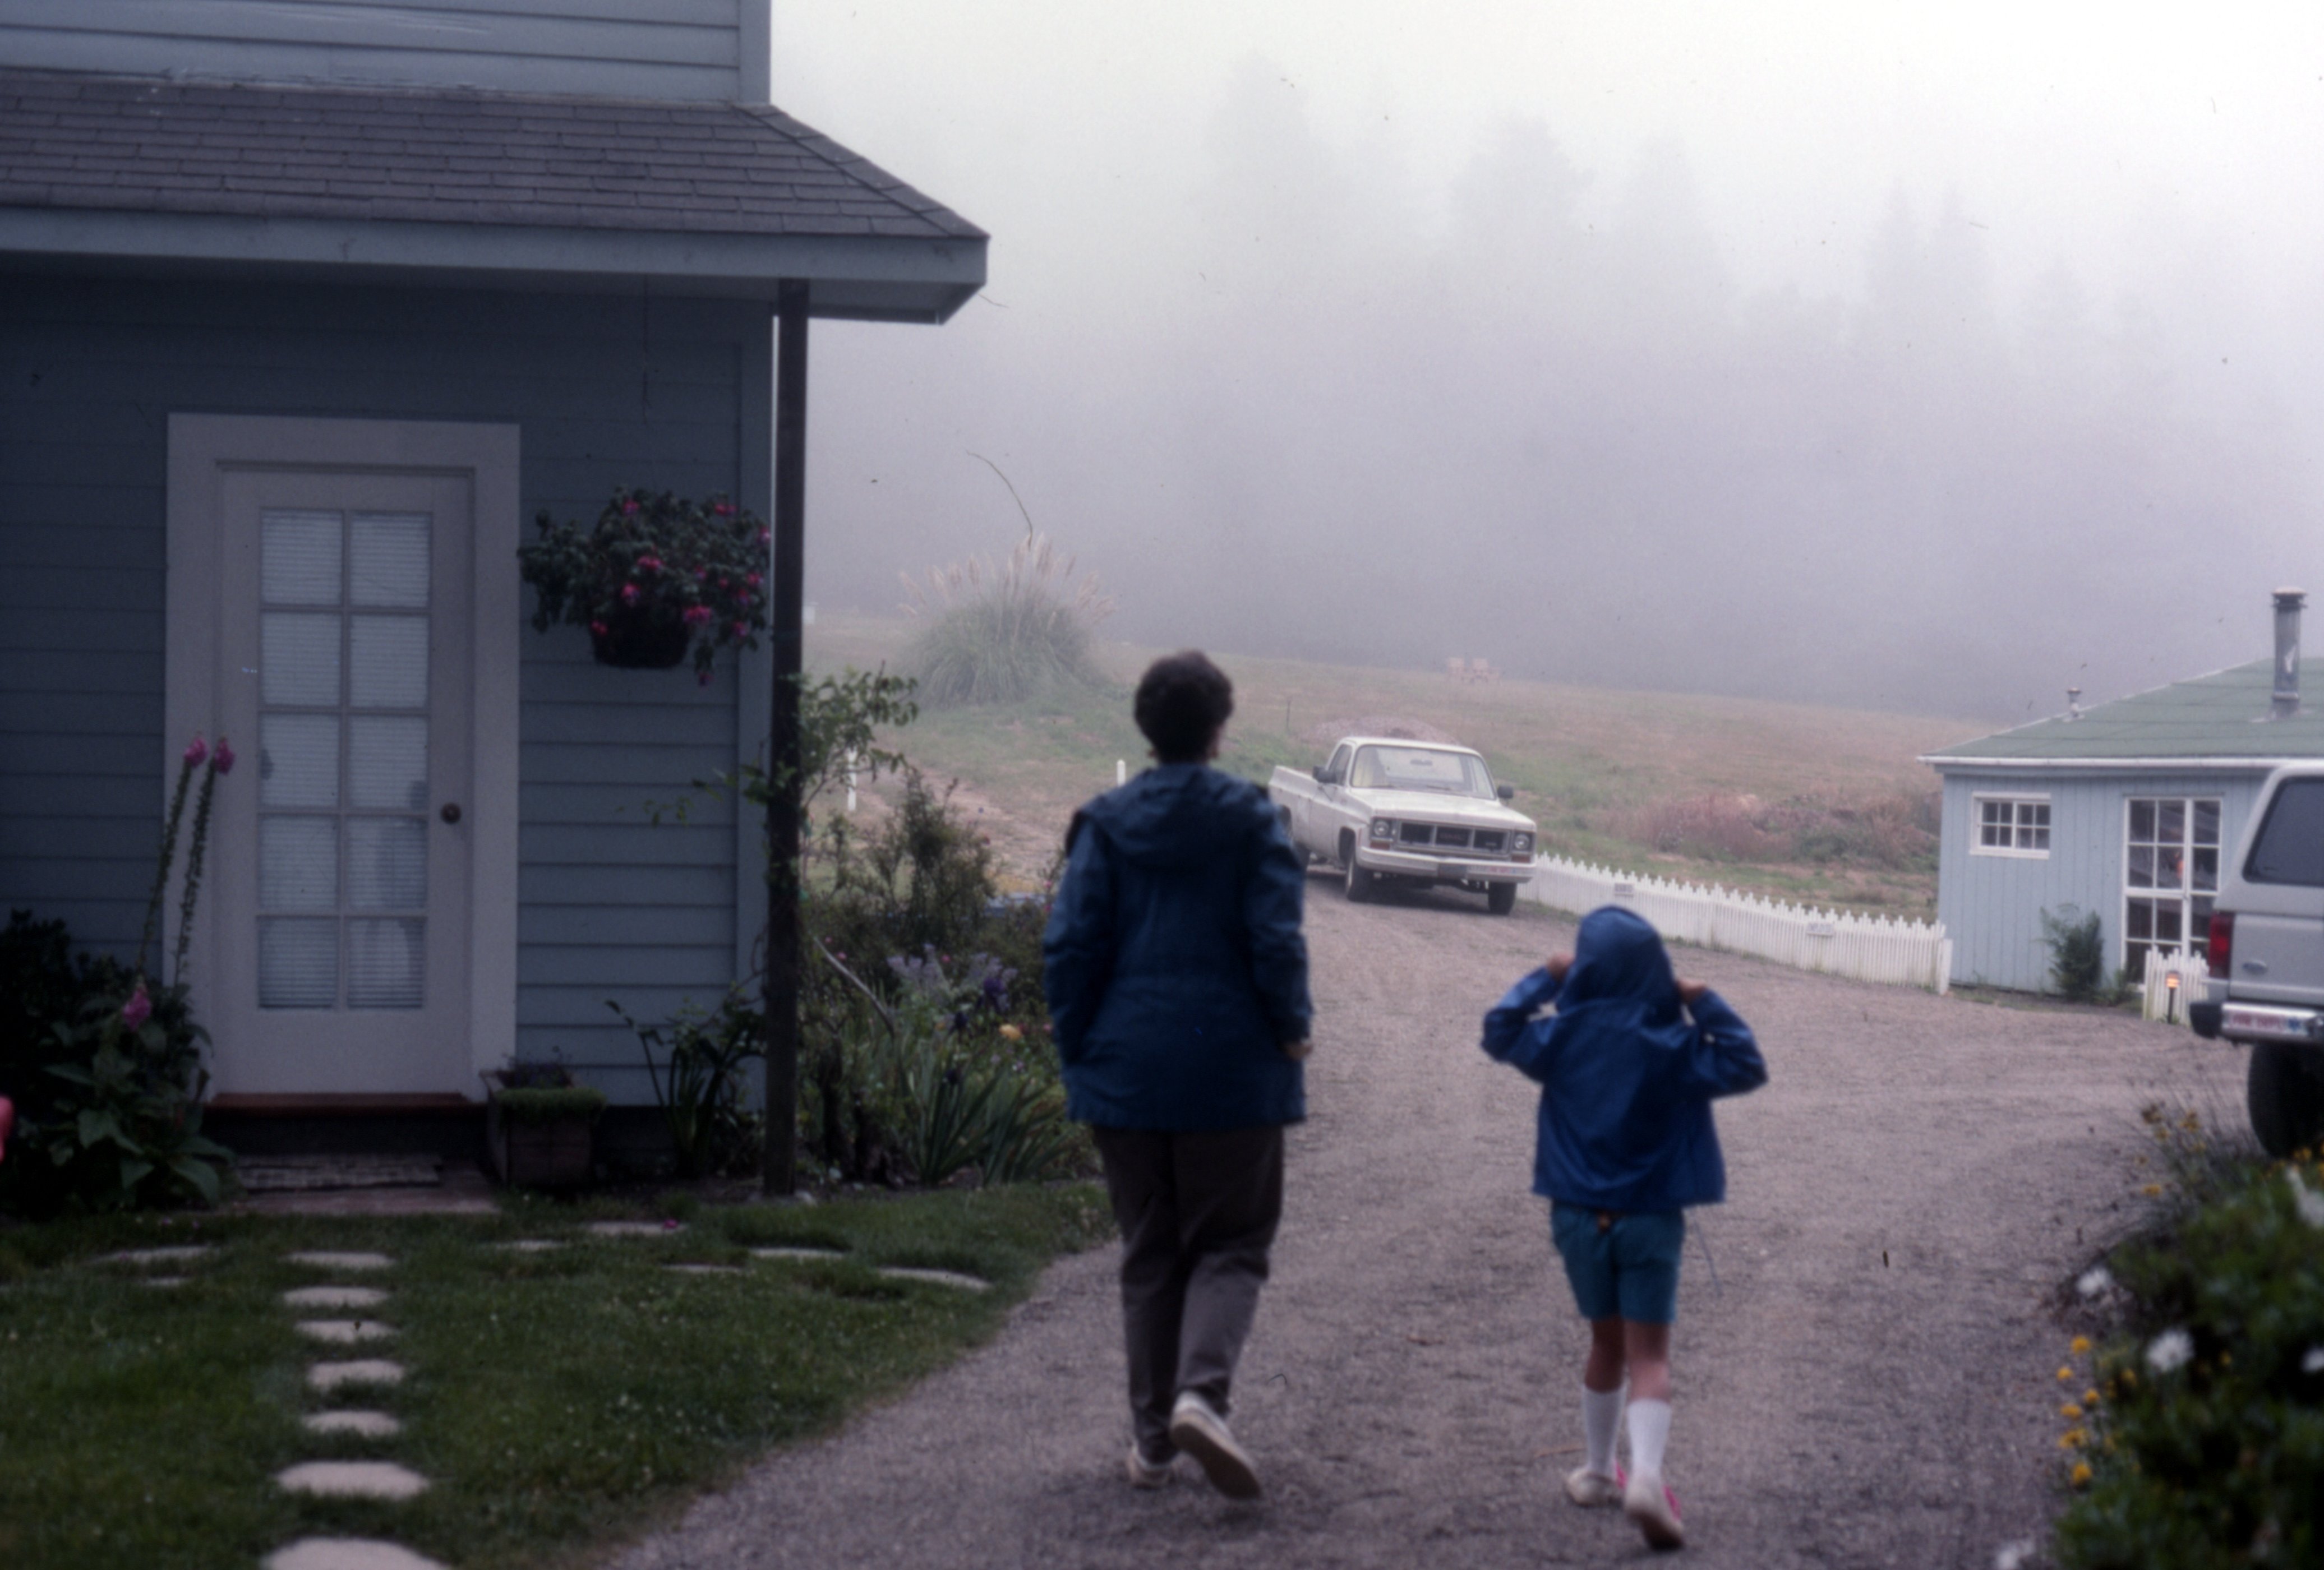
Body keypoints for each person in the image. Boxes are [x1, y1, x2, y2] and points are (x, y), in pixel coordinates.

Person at [1044, 650, 1313, 1500]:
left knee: (1151, 1251)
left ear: (1146, 728)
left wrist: (1081, 1049)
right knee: (1231, 1242)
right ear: (1219, 730)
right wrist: (1291, 1030)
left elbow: (1069, 946)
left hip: (1126, 1074)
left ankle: (1154, 1444)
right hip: (1233, 1074)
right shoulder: (1253, 822)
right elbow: (1277, 941)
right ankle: (1202, 1394)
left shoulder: (1104, 824)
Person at [1480, 906, 1766, 1550]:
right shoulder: (1675, 1045)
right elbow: (1746, 1063)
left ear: (1584, 967)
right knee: (1649, 1356)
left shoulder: (1562, 1036)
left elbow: (1498, 1029)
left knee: (1605, 1343)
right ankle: (1645, 1477)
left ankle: (1596, 1471)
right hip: (1650, 1217)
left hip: (1576, 1216)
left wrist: (1546, 977)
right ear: (1656, 970)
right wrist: (1703, 1000)